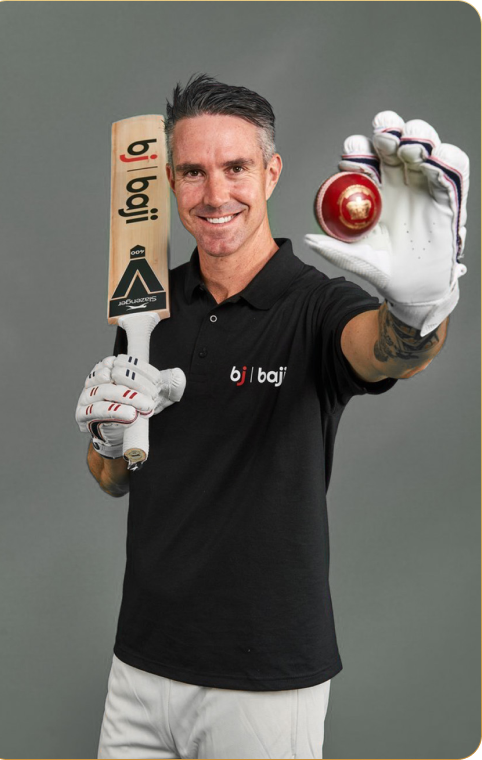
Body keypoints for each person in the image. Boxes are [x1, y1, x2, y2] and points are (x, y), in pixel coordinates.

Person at [75, 75, 469, 760]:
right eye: (193, 172)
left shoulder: (317, 306)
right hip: (139, 666)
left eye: (236, 167)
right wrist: (109, 439)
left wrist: (418, 314)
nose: (214, 194)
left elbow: (390, 354)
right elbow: (114, 480)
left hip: (263, 681)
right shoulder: (148, 308)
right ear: (170, 180)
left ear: (272, 173)